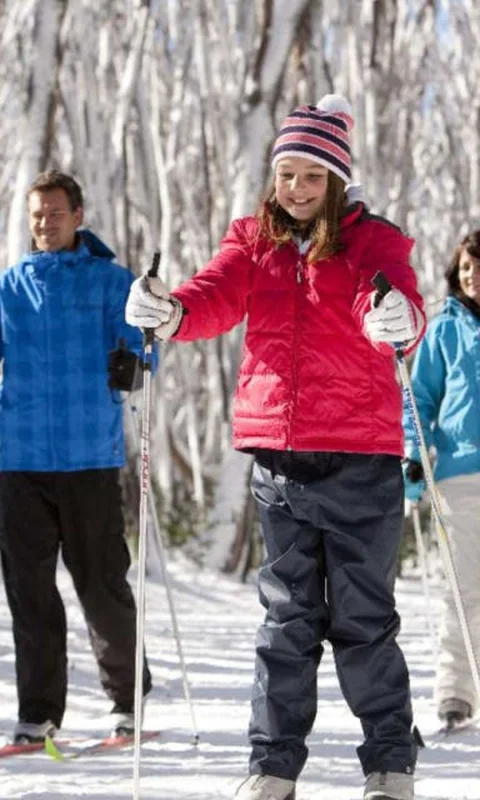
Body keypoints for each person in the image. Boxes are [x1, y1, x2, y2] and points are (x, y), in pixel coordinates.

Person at [125, 95, 425, 800]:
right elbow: (215, 294)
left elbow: (391, 301)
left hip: (360, 458)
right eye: (286, 174)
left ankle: (389, 763)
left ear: (337, 181)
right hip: (279, 461)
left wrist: (394, 318)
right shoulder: (253, 241)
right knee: (287, 621)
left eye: (312, 176)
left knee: (363, 620)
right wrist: (172, 312)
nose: (296, 188)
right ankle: (273, 766)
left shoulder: (373, 241)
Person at [0, 170, 152, 744]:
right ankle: (37, 714)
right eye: (37, 214)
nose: (45, 222)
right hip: (23, 460)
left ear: (77, 216)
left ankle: (128, 701)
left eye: (55, 212)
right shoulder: (4, 289)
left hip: (90, 457)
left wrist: (134, 365)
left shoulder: (112, 283)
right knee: (29, 591)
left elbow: (142, 345)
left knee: (101, 586)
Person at [402, 230, 480, 731]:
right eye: (467, 268)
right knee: (463, 588)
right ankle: (456, 691)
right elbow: (419, 399)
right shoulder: (444, 329)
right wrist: (415, 454)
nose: (473, 276)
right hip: (460, 474)